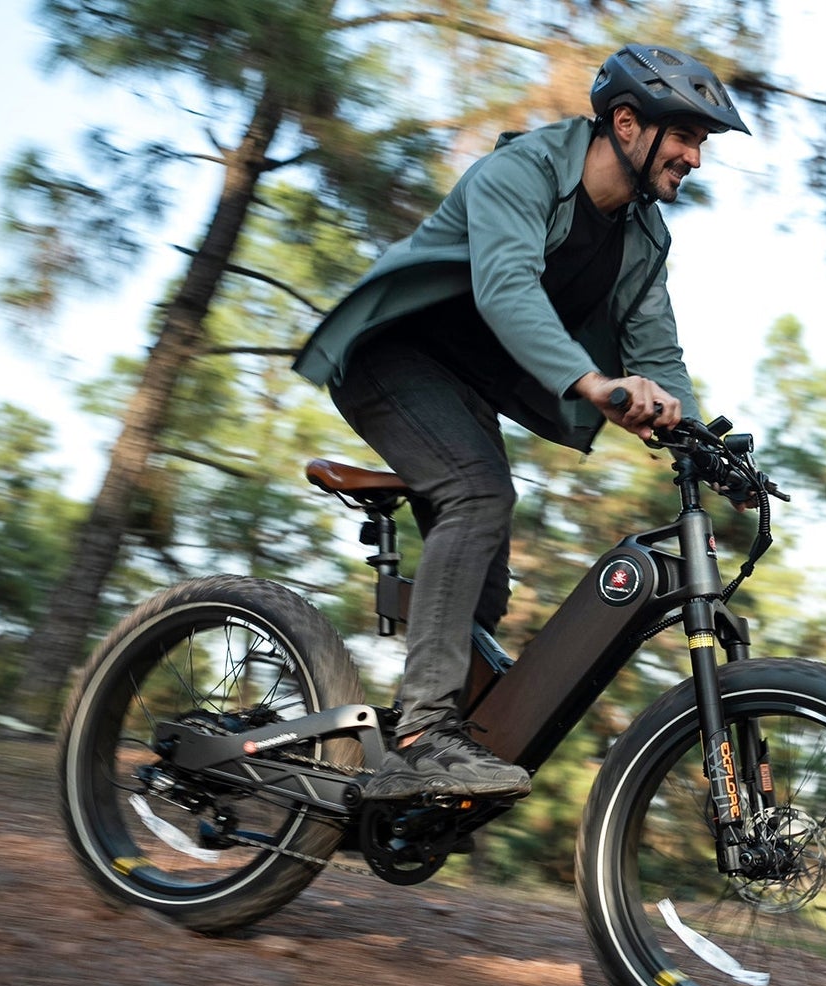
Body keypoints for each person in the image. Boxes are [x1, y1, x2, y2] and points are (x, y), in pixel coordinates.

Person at [293, 45, 751, 801]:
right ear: (627, 124)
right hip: (391, 356)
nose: (696, 158)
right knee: (479, 494)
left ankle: (419, 777)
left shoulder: (642, 237)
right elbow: (507, 287)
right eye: (686, 137)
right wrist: (595, 383)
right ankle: (421, 734)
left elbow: (657, 351)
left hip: (466, 386)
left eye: (702, 144)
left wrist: (704, 445)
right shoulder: (523, 172)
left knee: (488, 587)